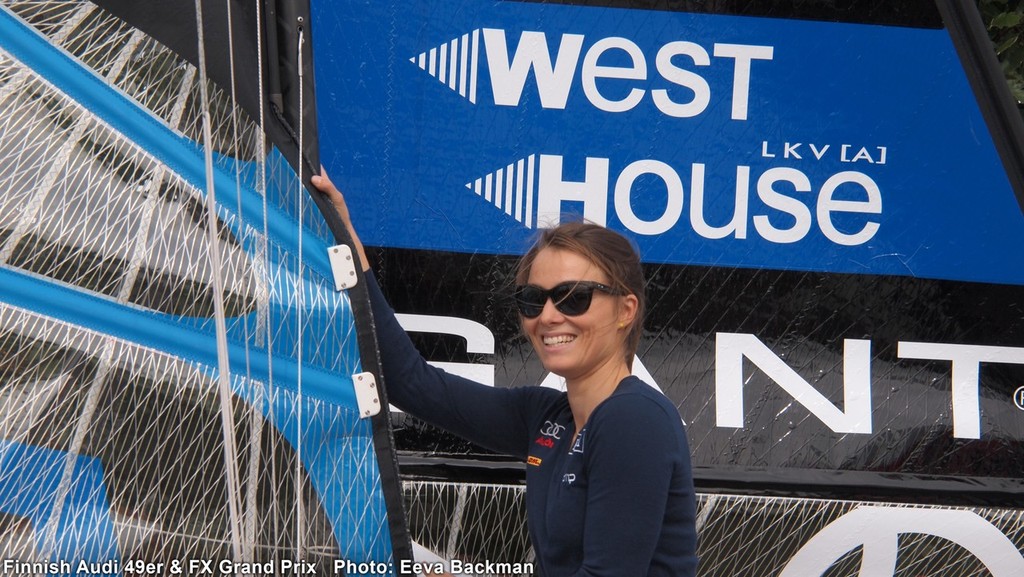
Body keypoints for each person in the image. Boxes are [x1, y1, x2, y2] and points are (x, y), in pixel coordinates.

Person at [312, 172, 698, 577]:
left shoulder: (634, 418)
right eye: (532, 300)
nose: (549, 316)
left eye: (573, 297)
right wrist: (348, 245)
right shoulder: (547, 416)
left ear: (626, 311)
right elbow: (412, 383)